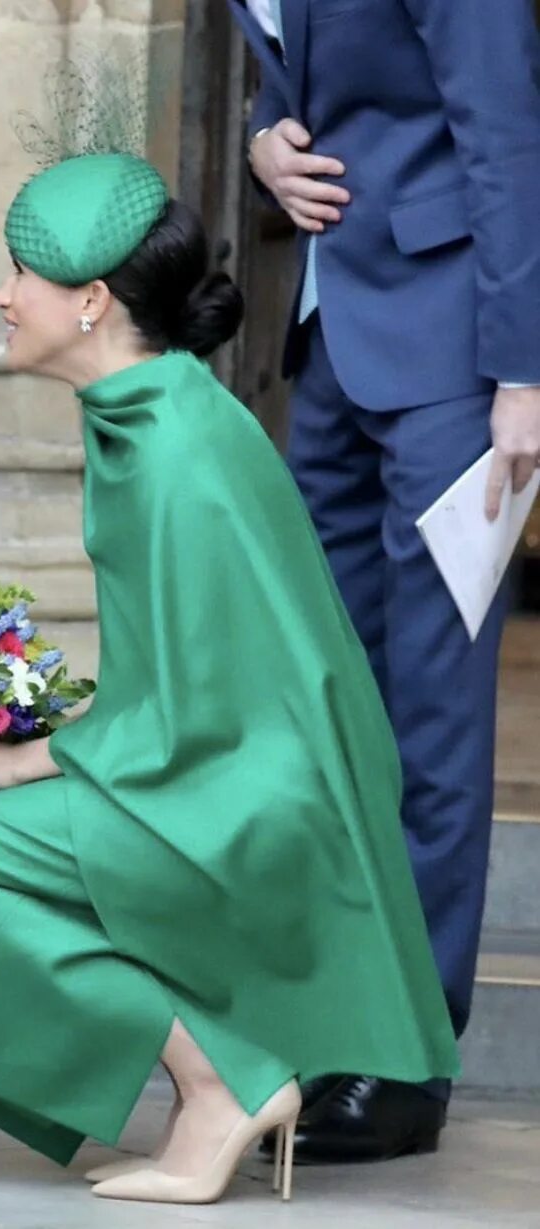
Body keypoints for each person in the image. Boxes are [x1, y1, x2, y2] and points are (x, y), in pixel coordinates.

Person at [0, 139, 461, 1207]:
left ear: (88, 302)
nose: (0, 294)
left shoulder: (174, 450)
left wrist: (15, 761)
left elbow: (202, 708)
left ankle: (217, 1081)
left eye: (19, 273)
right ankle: (214, 1073)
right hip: (226, 776)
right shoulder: (153, 411)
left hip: (248, 800)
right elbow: (194, 672)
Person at [227, 0, 540, 1161]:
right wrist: (266, 140)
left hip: (457, 349)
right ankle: (332, 1017)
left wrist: (524, 369)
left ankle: (410, 1054)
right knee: (326, 703)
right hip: (334, 334)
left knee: (433, 711)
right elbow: (302, 81)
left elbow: (506, 132)